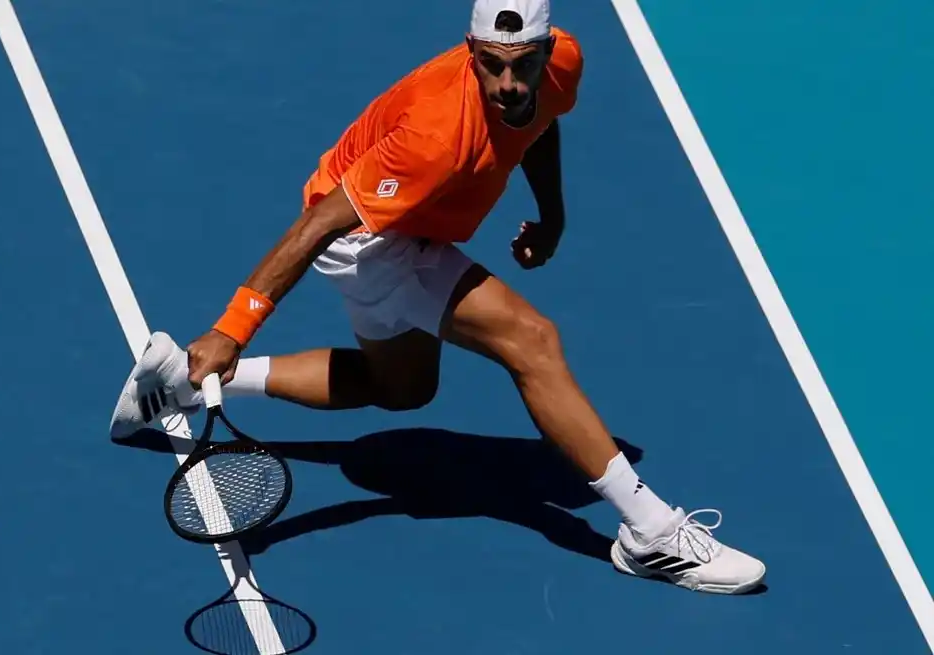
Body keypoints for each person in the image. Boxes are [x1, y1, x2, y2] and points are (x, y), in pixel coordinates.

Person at [108, 0, 766, 594]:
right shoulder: (436, 135)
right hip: (371, 237)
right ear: (470, 49)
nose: (509, 84)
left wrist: (552, 214)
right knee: (530, 340)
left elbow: (537, 121)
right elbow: (318, 224)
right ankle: (652, 532)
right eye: (492, 67)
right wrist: (233, 326)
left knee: (400, 389)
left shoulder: (561, 62)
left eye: (523, 66)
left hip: (407, 226)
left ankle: (181, 384)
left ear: (546, 51)